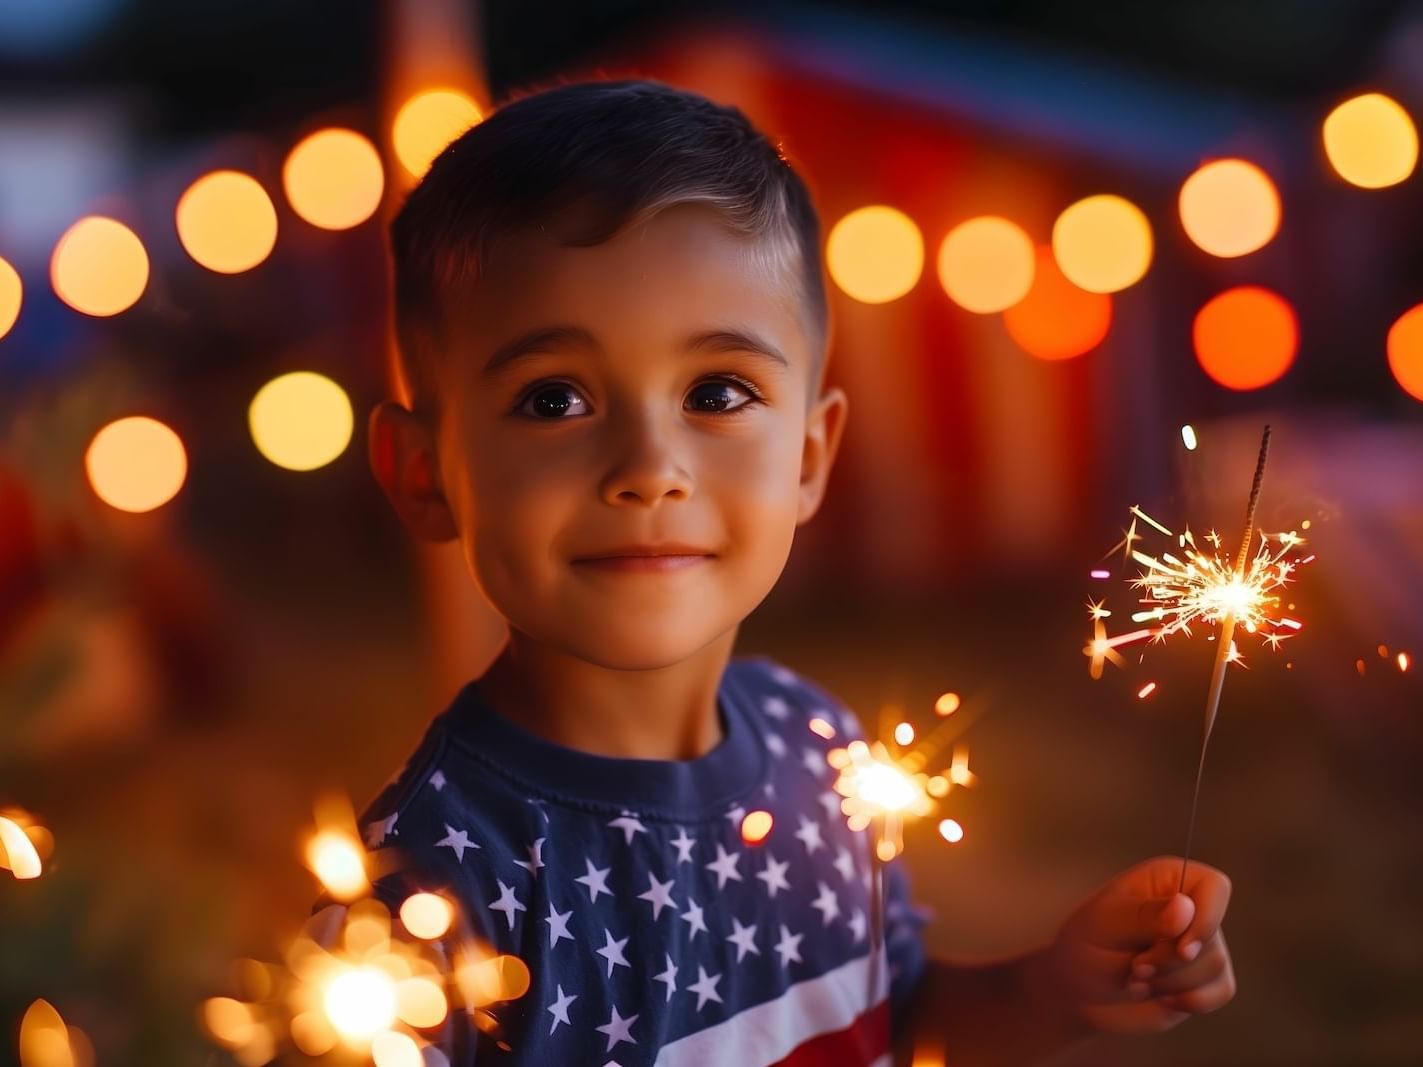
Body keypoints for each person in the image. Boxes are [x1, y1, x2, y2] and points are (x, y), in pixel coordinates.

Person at [317, 77, 1235, 1065]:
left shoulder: (817, 749)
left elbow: (894, 1016)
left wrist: (1057, 986)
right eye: (554, 400)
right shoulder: (424, 896)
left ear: (807, 456)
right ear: (422, 472)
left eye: (716, 390)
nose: (648, 469)